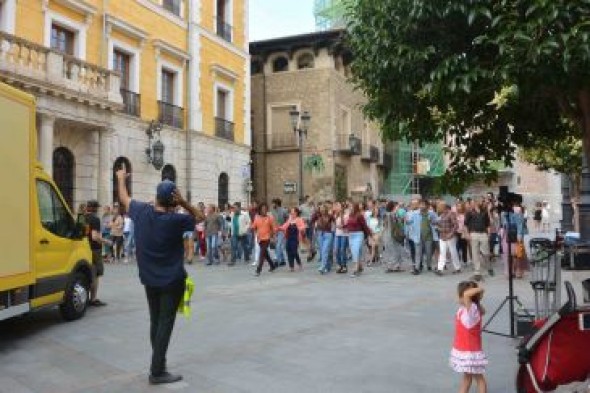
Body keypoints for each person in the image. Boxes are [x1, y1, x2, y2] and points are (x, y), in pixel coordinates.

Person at [116, 165, 204, 385]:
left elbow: (124, 198)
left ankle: (159, 362)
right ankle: (157, 371)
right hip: (171, 281)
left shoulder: (141, 212)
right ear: (173, 201)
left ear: (156, 197)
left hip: (149, 280)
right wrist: (183, 202)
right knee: (165, 322)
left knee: (155, 321)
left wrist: (120, 179)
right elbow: (200, 216)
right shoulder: (177, 220)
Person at [450, 281, 488, 393]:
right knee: (468, 378)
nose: (457, 297)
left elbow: (467, 295)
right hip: (466, 350)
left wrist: (480, 289)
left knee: (477, 378)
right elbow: (467, 296)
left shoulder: (471, 311)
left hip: (470, 352)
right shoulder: (466, 309)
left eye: (459, 295)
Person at [85, 200, 112, 307]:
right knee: (96, 274)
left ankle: (85, 297)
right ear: (95, 208)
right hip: (94, 249)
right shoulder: (95, 219)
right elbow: (95, 237)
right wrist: (106, 241)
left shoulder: (82, 218)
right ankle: (93, 299)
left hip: (84, 248)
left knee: (87, 272)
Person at [406, 200, 438, 275]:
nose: (421, 206)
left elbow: (436, 221)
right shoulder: (415, 213)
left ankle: (429, 265)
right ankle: (417, 268)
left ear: (427, 206)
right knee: (418, 253)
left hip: (429, 236)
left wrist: (433, 222)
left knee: (429, 252)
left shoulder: (431, 213)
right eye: (420, 204)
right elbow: (409, 221)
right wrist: (407, 221)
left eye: (423, 204)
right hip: (418, 236)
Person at [465, 200, 493, 281]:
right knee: (475, 253)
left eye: (475, 203)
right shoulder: (469, 213)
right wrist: (467, 234)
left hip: (483, 233)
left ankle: (488, 266)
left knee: (486, 252)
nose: (473, 205)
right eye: (472, 203)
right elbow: (466, 224)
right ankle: (477, 272)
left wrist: (489, 233)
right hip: (474, 234)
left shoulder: (484, 213)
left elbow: (488, 224)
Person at [344, 202, 372, 277]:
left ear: (355, 207)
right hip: (351, 235)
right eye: (349, 207)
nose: (349, 208)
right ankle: (360, 266)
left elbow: (364, 226)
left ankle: (355, 269)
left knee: (355, 251)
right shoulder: (350, 215)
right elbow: (348, 224)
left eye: (351, 207)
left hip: (358, 235)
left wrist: (370, 235)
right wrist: (344, 226)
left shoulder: (359, 216)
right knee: (356, 252)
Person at [251, 202, 277, 276]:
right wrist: (250, 228)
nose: (264, 210)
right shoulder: (257, 217)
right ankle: (272, 266)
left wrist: (274, 237)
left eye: (265, 209)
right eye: (262, 209)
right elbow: (254, 226)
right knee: (265, 254)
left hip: (267, 238)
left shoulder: (270, 218)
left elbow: (274, 228)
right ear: (260, 209)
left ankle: (258, 270)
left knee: (262, 254)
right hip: (259, 238)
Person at [435, 202, 462, 276]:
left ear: (444, 207)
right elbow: (438, 224)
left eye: (439, 207)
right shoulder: (440, 215)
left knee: (453, 252)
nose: (438, 208)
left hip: (450, 236)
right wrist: (437, 227)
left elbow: (455, 225)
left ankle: (457, 268)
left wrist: (451, 234)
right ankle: (440, 269)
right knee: (442, 253)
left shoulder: (451, 214)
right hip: (442, 236)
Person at [278, 207, 306, 272]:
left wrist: (301, 229)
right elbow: (284, 226)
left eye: (292, 211)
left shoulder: (299, 219)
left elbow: (303, 227)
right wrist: (279, 228)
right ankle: (291, 266)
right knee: (288, 250)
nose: (291, 212)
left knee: (294, 251)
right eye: (291, 211)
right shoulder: (289, 219)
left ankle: (299, 263)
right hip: (289, 237)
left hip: (295, 237)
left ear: (296, 213)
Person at [312, 203, 335, 274]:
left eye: (323, 208)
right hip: (320, 234)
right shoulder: (317, 215)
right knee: (322, 251)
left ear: (325, 209)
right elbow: (312, 220)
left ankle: (322, 266)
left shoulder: (330, 216)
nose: (321, 209)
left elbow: (335, 222)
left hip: (328, 234)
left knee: (325, 250)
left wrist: (333, 229)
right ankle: (327, 266)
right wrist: (315, 226)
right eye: (320, 208)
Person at [385, 201, 406, 273]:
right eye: (396, 206)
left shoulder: (387, 214)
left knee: (391, 250)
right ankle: (396, 266)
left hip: (388, 234)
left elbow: (385, 225)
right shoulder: (393, 214)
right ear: (393, 207)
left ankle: (391, 266)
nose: (397, 207)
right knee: (397, 250)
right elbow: (398, 223)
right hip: (394, 234)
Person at [271, 199, 288, 266]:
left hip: (282, 230)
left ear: (276, 204)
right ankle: (283, 260)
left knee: (278, 246)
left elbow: (287, 220)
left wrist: (284, 227)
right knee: (277, 246)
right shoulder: (272, 212)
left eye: (273, 203)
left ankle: (277, 261)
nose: (272, 205)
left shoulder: (284, 211)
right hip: (275, 230)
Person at [333, 202, 349, 274]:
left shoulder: (345, 215)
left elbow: (347, 225)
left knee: (342, 250)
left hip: (344, 234)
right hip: (337, 234)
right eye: (335, 207)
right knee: (336, 250)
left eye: (337, 207)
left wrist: (342, 226)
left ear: (341, 208)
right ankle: (339, 265)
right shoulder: (335, 215)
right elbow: (334, 224)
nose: (336, 208)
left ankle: (344, 266)